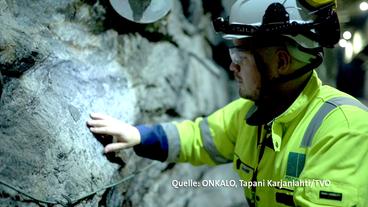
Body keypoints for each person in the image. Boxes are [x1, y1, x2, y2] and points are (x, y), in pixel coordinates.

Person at [87, 0, 368, 206]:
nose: (232, 68)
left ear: (281, 62)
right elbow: (198, 138)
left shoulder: (344, 129)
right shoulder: (251, 114)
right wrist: (138, 135)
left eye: (240, 59)